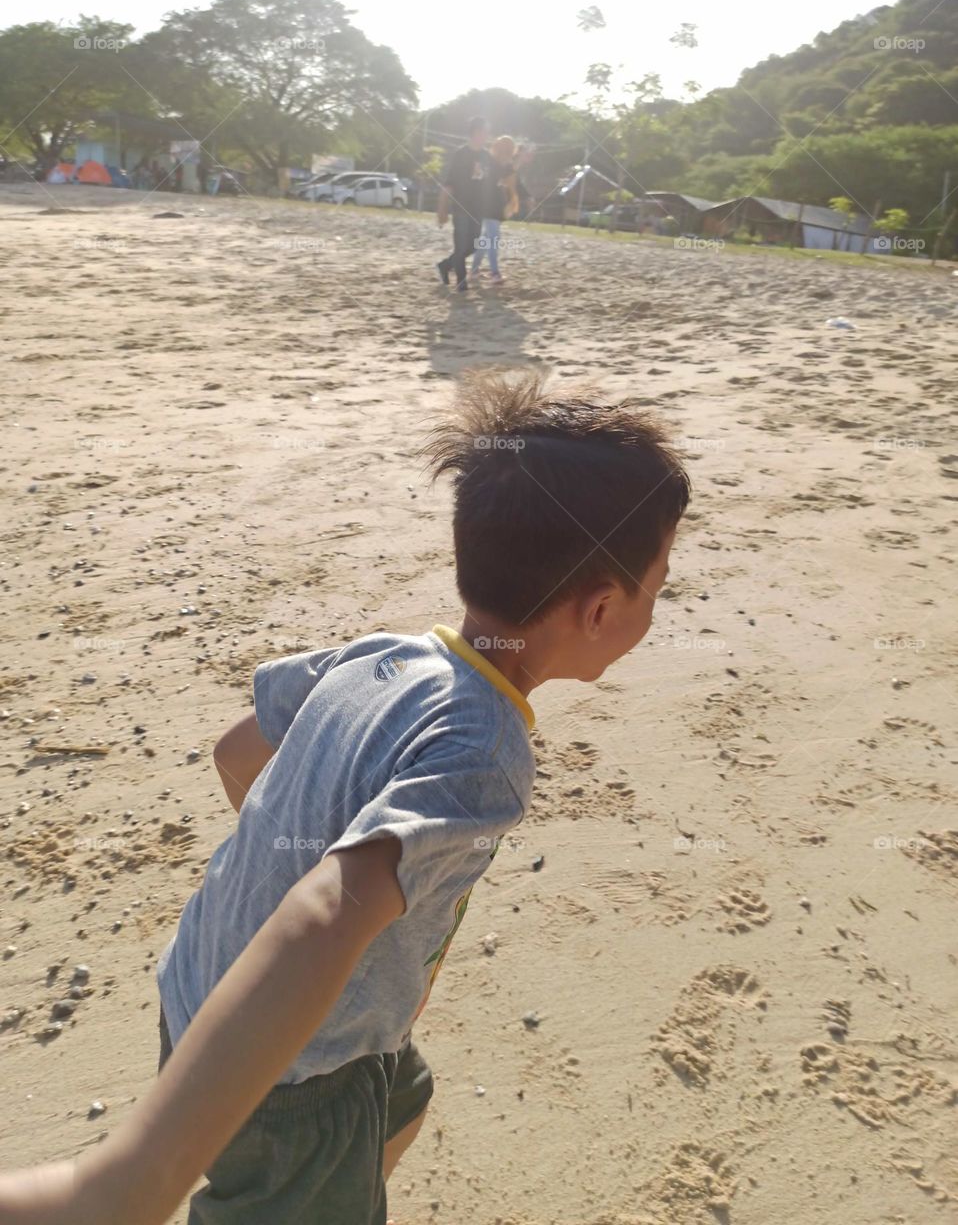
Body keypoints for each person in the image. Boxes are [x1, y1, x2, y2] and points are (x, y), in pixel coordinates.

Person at [0, 377, 689, 1225]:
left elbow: (237, 751)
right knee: (300, 1160)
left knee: (404, 1095)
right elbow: (330, 910)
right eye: (657, 587)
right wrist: (133, 1175)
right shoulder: (486, 752)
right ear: (599, 609)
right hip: (298, 1080)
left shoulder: (382, 656)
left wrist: (291, 854)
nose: (655, 605)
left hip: (199, 984)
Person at [436, 116, 489, 292]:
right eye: (484, 131)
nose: (486, 135)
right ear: (475, 132)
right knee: (460, 245)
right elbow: (449, 182)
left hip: (478, 207)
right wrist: (442, 208)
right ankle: (461, 282)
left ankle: (445, 265)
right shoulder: (460, 154)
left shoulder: (486, 156)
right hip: (461, 206)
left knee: (473, 246)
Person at [470, 135, 518, 284]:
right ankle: (495, 273)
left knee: (486, 239)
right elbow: (511, 185)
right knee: (493, 240)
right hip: (491, 205)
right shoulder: (498, 163)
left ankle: (474, 271)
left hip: (491, 204)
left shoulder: (490, 160)